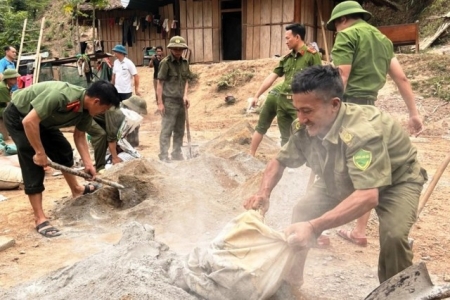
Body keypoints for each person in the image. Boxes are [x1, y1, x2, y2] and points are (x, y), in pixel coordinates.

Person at [244, 65, 427, 286]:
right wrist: (264, 193)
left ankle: (398, 291)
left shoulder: (362, 133)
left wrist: (313, 227)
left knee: (394, 237)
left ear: (334, 105)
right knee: (303, 210)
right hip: (344, 176)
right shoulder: (306, 125)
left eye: (307, 111)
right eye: (298, 110)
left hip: (396, 182)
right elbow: (279, 161)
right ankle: (291, 280)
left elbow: (368, 196)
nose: (301, 118)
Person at [326, 0, 424, 247]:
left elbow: (342, 76)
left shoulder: (347, 35)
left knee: (325, 161)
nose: (336, 32)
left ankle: (316, 229)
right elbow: (401, 77)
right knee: (367, 171)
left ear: (342, 20)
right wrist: (414, 113)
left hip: (346, 107)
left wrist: (330, 112)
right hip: (370, 111)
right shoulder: (382, 40)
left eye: (335, 26)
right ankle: (359, 231)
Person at [3, 80, 121, 237]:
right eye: (104, 109)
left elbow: (79, 137)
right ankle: (39, 218)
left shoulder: (86, 110)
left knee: (63, 150)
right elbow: (29, 121)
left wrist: (88, 163)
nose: (103, 112)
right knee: (32, 160)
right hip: (19, 117)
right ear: (96, 101)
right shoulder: (61, 96)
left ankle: (77, 189)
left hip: (42, 121)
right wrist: (39, 152)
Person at [248, 23, 322, 155]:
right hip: (283, 101)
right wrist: (256, 95)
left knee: (305, 134)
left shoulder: (311, 56)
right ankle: (288, 166)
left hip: (299, 104)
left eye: (288, 38)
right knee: (285, 137)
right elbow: (272, 77)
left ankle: (310, 167)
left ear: (297, 37)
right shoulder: (286, 59)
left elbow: (319, 80)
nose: (286, 42)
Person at [88, 96, 148, 173]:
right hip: (90, 120)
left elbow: (127, 136)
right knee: (101, 135)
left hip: (103, 123)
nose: (139, 114)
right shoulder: (116, 113)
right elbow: (111, 137)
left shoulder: (126, 114)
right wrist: (115, 158)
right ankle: (100, 167)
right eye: (138, 112)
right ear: (132, 109)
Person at [157, 36, 191, 162]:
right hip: (169, 102)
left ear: (183, 49)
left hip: (181, 102)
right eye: (175, 49)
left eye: (180, 49)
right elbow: (160, 83)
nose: (177, 51)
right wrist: (160, 103)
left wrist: (185, 95)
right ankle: (164, 155)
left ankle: (177, 153)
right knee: (167, 130)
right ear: (171, 49)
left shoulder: (185, 62)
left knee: (180, 130)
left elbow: (186, 80)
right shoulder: (165, 63)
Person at [0, 69, 20, 140]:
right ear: (9, 79)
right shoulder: (3, 88)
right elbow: (9, 106)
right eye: (14, 79)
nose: (16, 81)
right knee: (14, 113)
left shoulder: (5, 85)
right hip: (1, 109)